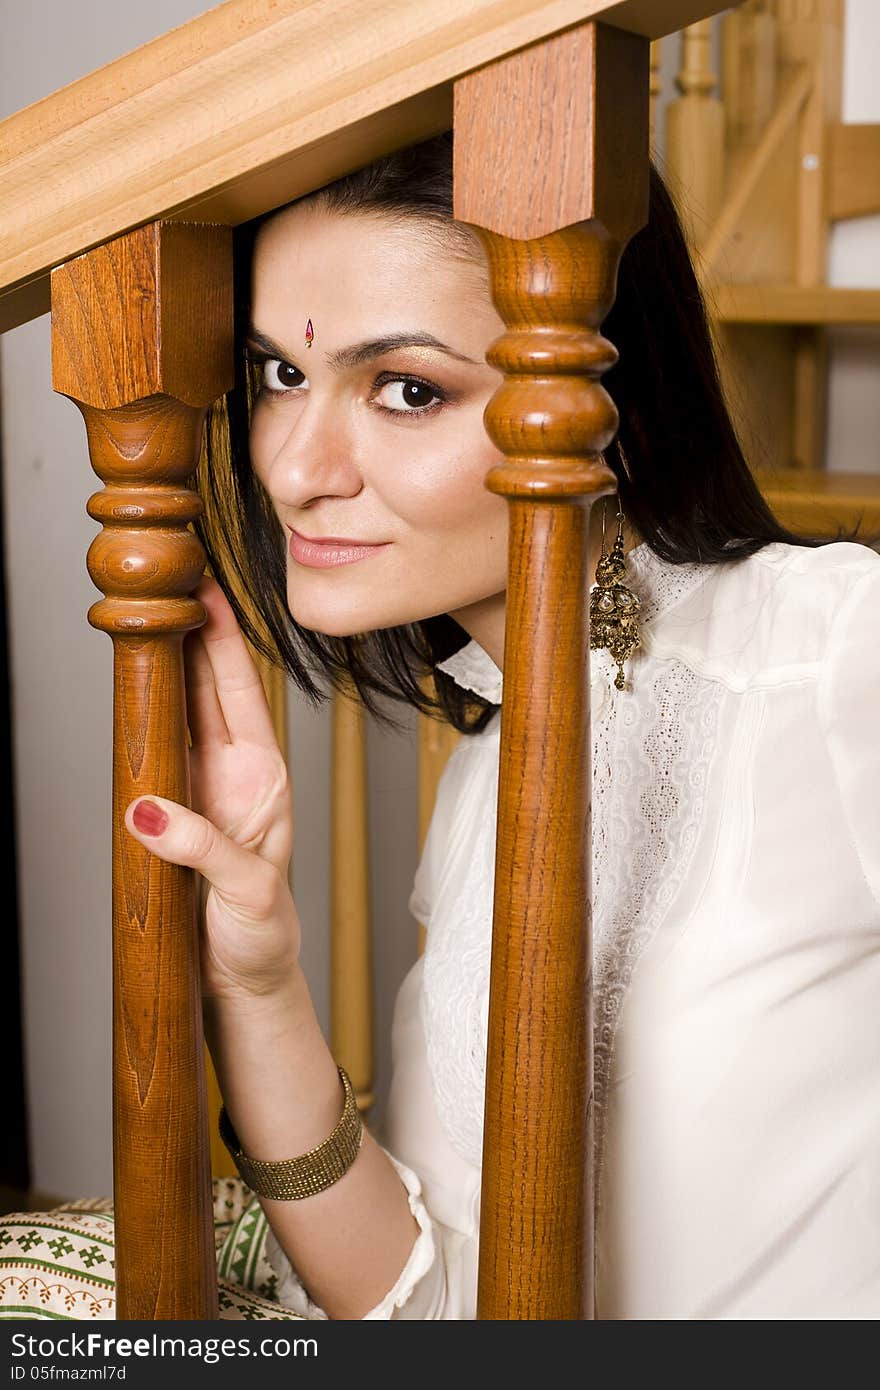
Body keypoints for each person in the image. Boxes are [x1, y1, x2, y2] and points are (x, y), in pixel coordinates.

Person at [3, 134, 879, 1321]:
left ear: (601, 401)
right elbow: (434, 1304)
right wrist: (260, 983)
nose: (299, 468)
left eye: (407, 389)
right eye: (278, 376)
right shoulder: (487, 787)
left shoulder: (826, 650)